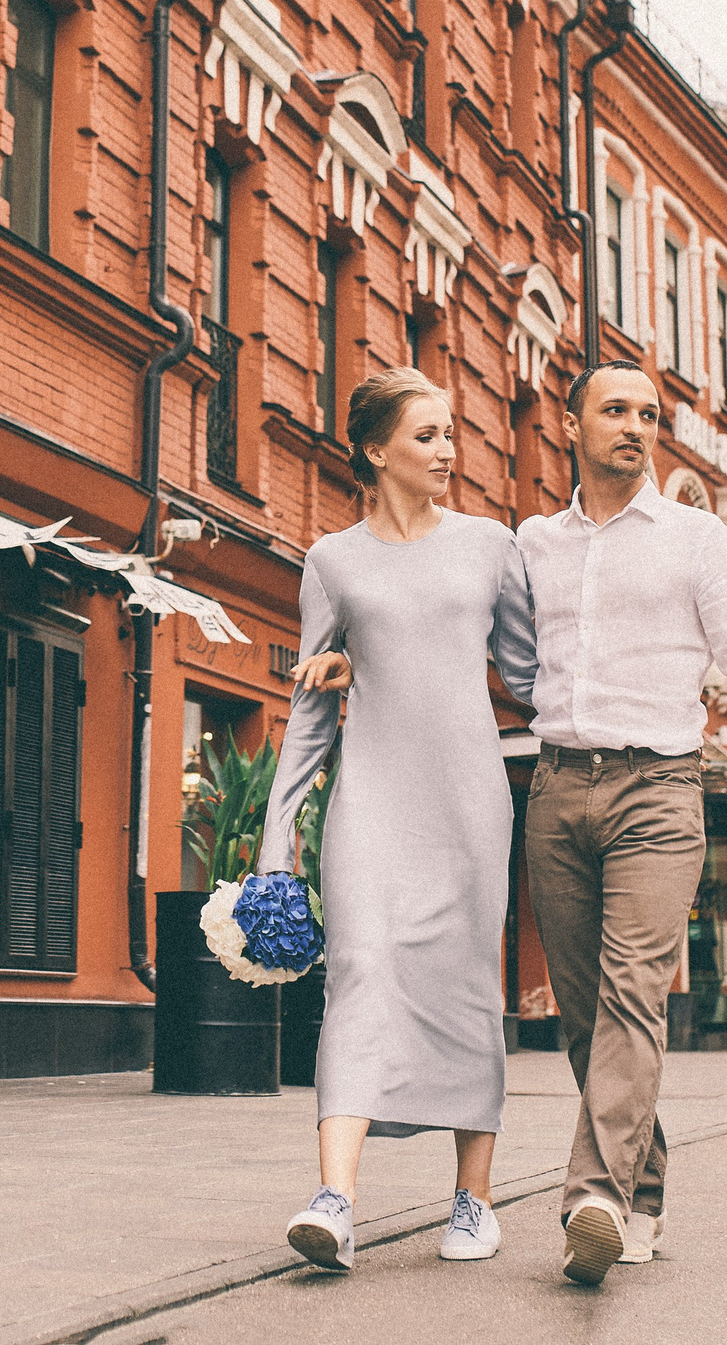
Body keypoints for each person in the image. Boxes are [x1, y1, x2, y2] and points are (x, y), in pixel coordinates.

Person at [310, 361, 727, 1286]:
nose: (636, 426)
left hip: (661, 788)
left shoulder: (697, 540)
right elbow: (454, 626)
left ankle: (592, 1199)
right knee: (585, 1015)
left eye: (649, 414)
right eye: (615, 410)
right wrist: (358, 660)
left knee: (633, 994)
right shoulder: (530, 544)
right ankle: (640, 1194)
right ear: (570, 427)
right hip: (557, 787)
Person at [258, 366, 536, 1274]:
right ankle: (334, 1201)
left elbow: (534, 676)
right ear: (377, 451)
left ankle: (473, 1201)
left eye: (451, 433)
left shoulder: (491, 546)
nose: (448, 450)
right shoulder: (332, 561)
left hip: (469, 802)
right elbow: (309, 710)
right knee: (361, 972)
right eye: (427, 435)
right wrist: (275, 842)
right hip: (371, 800)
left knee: (465, 985)